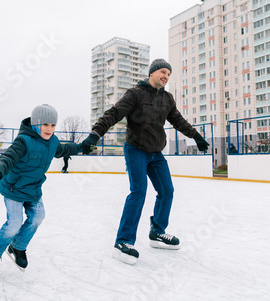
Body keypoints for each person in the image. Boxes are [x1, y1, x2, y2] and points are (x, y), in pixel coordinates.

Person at [80, 59, 209, 265]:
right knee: (139, 191)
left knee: (167, 191)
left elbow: (178, 120)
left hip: (156, 153)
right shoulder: (136, 94)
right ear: (152, 73)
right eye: (163, 72)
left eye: (169, 73)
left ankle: (157, 231)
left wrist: (196, 136)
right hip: (136, 150)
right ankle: (123, 241)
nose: (166, 76)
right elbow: (113, 114)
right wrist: (95, 134)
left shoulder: (167, 98)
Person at [0, 104, 83, 277]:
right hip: (14, 189)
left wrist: (82, 147)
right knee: (14, 223)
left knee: (38, 216)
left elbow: (64, 149)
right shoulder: (23, 141)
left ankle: (17, 246)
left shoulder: (53, 142)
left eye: (52, 125)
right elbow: (7, 158)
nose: (49, 129)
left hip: (33, 189)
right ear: (36, 124)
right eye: (45, 124)